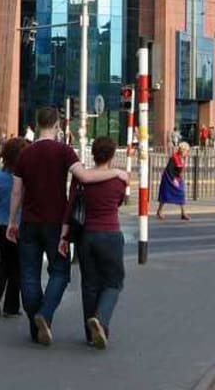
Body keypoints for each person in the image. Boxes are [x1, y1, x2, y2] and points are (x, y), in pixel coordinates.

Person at [6, 107, 127, 347]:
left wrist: (12, 221)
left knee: (29, 275)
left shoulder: (25, 154)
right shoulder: (64, 151)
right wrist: (118, 173)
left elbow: (17, 191)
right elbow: (85, 177)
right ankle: (46, 313)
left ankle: (37, 322)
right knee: (60, 273)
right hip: (54, 222)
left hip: (29, 221)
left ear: (37, 124)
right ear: (58, 126)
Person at [59, 136, 127, 350]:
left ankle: (90, 335)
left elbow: (70, 207)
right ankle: (101, 320)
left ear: (94, 154)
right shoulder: (120, 180)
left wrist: (64, 236)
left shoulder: (81, 179)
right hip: (110, 235)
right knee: (114, 282)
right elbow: (118, 202)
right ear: (113, 155)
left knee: (89, 284)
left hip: (86, 236)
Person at [0, 137, 26, 317]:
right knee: (16, 265)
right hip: (16, 225)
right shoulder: (24, 179)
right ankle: (10, 305)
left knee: (6, 261)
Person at [156, 142, 190, 220]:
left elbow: (180, 169)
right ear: (182, 150)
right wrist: (174, 179)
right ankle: (159, 211)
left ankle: (183, 213)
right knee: (165, 195)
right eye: (186, 151)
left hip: (178, 178)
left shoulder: (182, 158)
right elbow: (170, 170)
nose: (187, 153)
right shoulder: (174, 158)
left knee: (182, 193)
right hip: (169, 178)